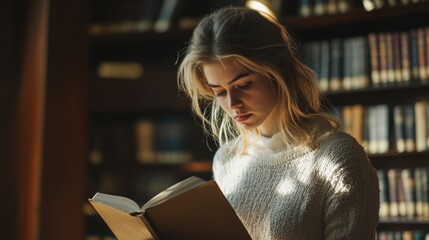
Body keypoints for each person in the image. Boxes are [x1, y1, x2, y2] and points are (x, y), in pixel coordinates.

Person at [177, 6, 379, 240]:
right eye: (220, 92)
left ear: (278, 73)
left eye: (244, 85)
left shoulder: (339, 160)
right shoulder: (226, 160)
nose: (233, 104)